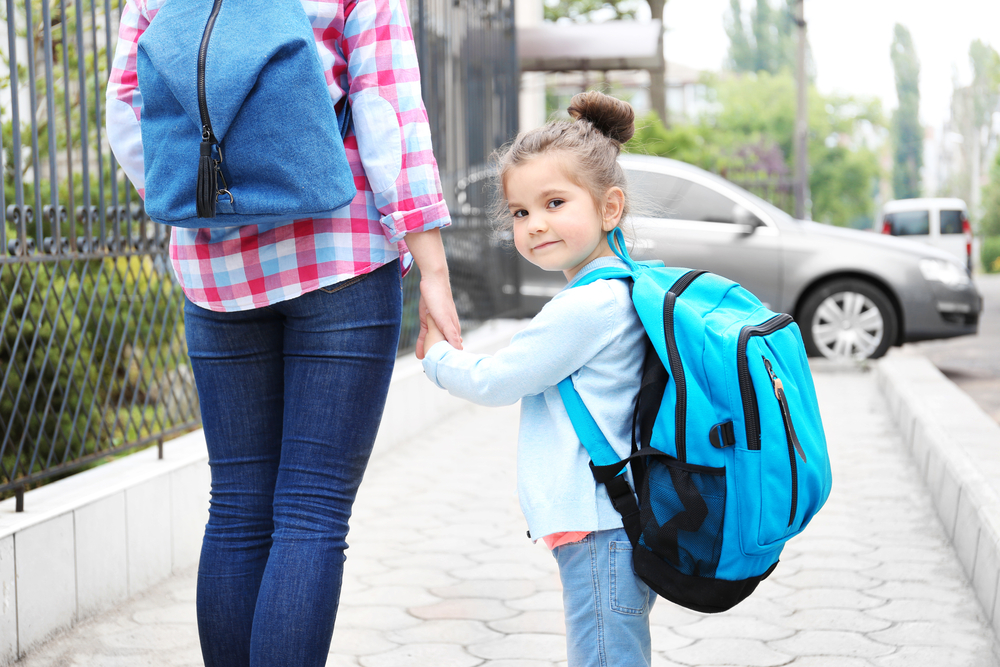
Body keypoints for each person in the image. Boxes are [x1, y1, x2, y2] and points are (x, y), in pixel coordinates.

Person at [106, 1, 462, 665]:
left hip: (215, 277)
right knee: (311, 513)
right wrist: (433, 267)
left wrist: (210, 206)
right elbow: (387, 111)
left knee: (237, 509)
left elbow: (127, 109)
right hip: (340, 255)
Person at [421, 91, 655, 667]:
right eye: (522, 212)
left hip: (600, 524)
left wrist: (435, 358)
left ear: (610, 207)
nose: (535, 224)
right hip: (614, 518)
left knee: (603, 656)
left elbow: (499, 379)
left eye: (554, 202)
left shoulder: (589, 306)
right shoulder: (619, 286)